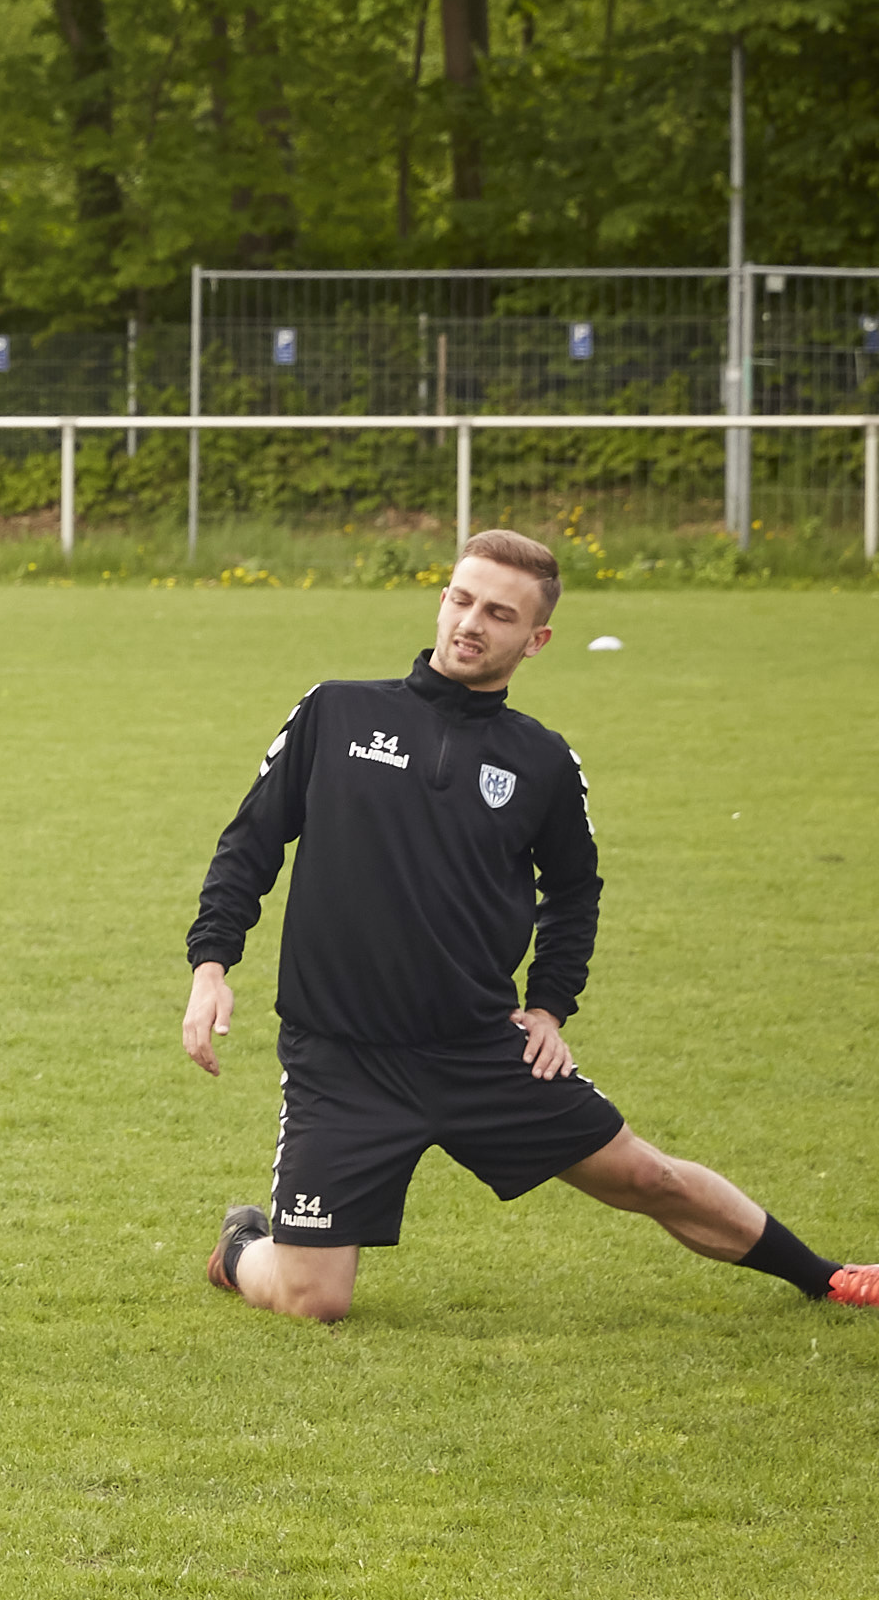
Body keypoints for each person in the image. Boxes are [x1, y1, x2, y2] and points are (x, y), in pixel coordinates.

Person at [182, 528, 874, 1321]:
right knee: (316, 1301)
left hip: (479, 1049)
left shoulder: (542, 760)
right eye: (463, 599)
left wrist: (548, 1006)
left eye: (500, 614)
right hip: (343, 1061)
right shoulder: (336, 710)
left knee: (648, 1176)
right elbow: (251, 841)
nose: (472, 623)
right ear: (442, 599)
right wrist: (212, 966)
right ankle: (241, 1247)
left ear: (535, 638)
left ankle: (826, 1276)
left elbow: (575, 892)